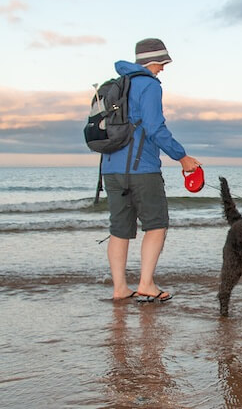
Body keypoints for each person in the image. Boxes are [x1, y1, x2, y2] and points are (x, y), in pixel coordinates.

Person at [102, 38, 200, 302]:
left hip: (110, 168)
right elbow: (156, 128)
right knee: (156, 225)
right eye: (162, 63)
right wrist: (182, 157)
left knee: (119, 230)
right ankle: (146, 283)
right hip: (142, 169)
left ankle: (120, 288)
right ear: (152, 61)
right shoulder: (149, 86)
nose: (163, 69)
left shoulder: (117, 84)